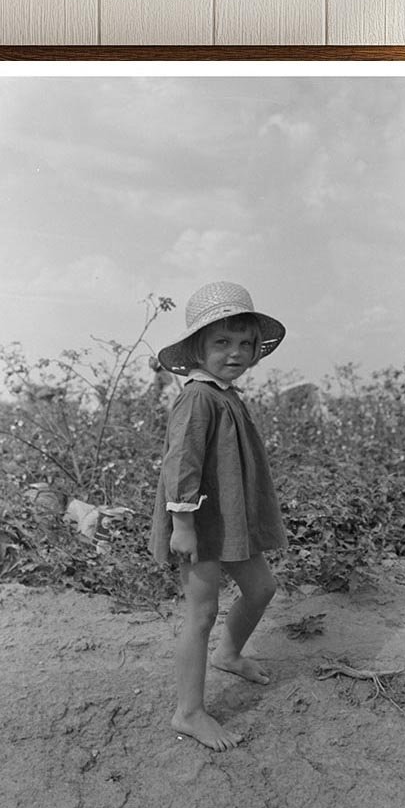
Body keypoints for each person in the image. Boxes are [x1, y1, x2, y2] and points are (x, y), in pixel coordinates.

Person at [149, 281, 288, 751]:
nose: (236, 353)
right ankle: (188, 712)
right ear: (197, 349)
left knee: (261, 587)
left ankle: (229, 654)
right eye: (221, 343)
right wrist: (183, 526)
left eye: (244, 343)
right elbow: (181, 463)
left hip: (229, 520)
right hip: (200, 523)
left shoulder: (226, 394)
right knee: (201, 611)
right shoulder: (198, 397)